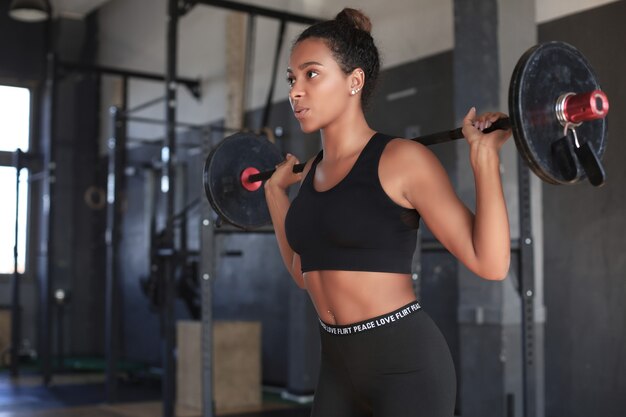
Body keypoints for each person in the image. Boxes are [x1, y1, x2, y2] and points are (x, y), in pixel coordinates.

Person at [264, 7, 511, 417]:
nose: (295, 91)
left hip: (406, 367)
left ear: (354, 81)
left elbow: (491, 262)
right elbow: (302, 274)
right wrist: (275, 195)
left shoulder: (402, 160)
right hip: (337, 368)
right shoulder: (308, 176)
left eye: (311, 74)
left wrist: (483, 158)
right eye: (292, 79)